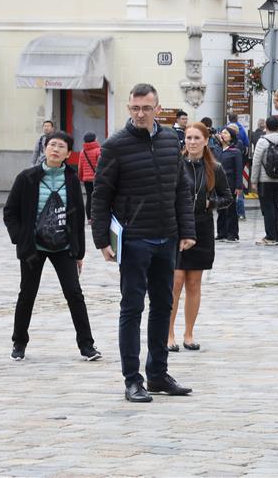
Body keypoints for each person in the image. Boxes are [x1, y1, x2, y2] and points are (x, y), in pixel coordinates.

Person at [91, 83, 196, 403]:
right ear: (128, 108)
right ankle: (132, 379)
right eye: (135, 108)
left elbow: (181, 188)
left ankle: (158, 374)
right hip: (134, 239)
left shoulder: (168, 140)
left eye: (146, 108)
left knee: (163, 306)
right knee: (132, 308)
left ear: (157, 109)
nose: (140, 114)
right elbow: (101, 195)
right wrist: (101, 240)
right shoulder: (115, 145)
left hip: (167, 237)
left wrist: (187, 230)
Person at [3, 130, 101, 362]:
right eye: (51, 145)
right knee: (27, 294)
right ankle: (19, 342)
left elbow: (76, 218)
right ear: (45, 148)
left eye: (61, 146)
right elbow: (10, 212)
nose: (55, 149)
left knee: (74, 294)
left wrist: (79, 253)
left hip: (63, 246)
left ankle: (87, 346)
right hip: (33, 247)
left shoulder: (71, 180)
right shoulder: (26, 178)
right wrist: (21, 237)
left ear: (68, 154)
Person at [168, 122, 232, 352]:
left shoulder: (214, 167)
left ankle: (189, 333)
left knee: (194, 283)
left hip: (202, 227)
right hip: (177, 228)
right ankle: (169, 333)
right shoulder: (175, 165)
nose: (192, 142)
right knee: (175, 282)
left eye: (197, 138)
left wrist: (210, 202)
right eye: (189, 138)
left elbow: (227, 197)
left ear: (206, 141)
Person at [251, 116, 278, 246]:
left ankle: (270, 237)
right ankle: (275, 236)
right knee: (274, 207)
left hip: (265, 180)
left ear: (266, 125)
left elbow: (256, 162)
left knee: (267, 208)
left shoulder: (263, 141)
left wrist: (253, 181)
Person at [216, 125, 244, 242]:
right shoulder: (217, 150)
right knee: (220, 209)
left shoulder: (235, 151)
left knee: (230, 210)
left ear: (232, 137)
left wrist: (238, 186)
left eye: (226, 133)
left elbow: (238, 170)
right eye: (222, 133)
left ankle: (232, 233)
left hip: (230, 184)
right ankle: (221, 232)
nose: (223, 135)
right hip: (218, 184)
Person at [227, 114, 249, 221]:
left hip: (229, 168)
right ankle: (240, 213)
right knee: (238, 191)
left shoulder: (226, 131)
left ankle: (237, 213)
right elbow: (247, 143)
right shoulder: (241, 130)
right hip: (237, 168)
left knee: (234, 192)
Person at [77, 132, 100, 221]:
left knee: (89, 197)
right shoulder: (98, 150)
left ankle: (89, 218)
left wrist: (80, 177)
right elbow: (100, 165)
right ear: (94, 139)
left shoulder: (83, 152)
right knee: (98, 197)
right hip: (96, 178)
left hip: (86, 179)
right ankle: (96, 216)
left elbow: (80, 166)